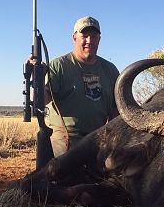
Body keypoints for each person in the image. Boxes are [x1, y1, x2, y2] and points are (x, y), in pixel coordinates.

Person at [35, 16, 120, 157]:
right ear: (74, 38)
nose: (89, 41)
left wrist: (111, 141)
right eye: (84, 36)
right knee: (66, 171)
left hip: (98, 136)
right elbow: (41, 101)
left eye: (94, 36)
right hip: (66, 135)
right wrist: (36, 79)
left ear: (99, 39)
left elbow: (115, 110)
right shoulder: (59, 65)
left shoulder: (110, 70)